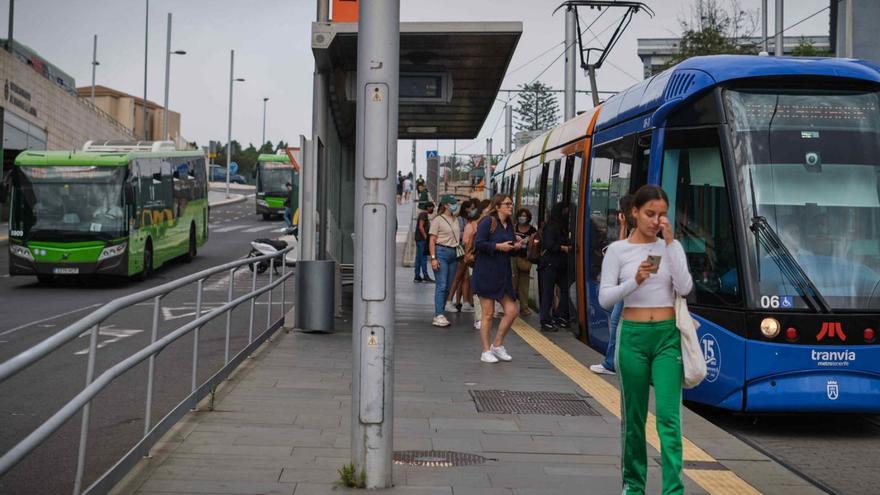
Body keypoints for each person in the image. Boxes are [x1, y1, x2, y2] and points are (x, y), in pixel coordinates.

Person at [598, 184, 693, 495]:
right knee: (634, 418)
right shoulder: (617, 251)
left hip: (667, 336)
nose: (656, 220)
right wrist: (633, 281)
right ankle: (633, 486)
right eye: (650, 214)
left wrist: (671, 242)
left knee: (669, 418)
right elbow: (605, 299)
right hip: (633, 337)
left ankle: (673, 490)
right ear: (634, 213)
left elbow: (685, 286)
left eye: (663, 215)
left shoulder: (670, 248)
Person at [472, 194, 521, 363]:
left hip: (503, 274)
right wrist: (498, 246)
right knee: (488, 314)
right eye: (507, 203)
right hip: (486, 273)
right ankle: (485, 351)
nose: (510, 206)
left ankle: (497, 345)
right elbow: (478, 243)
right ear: (498, 206)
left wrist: (517, 247)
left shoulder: (509, 225)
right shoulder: (488, 222)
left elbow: (510, 247)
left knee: (512, 311)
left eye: (511, 203)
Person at [591, 194, 635, 376]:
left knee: (617, 325)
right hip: (628, 287)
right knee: (617, 324)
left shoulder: (643, 233)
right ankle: (613, 362)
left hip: (630, 289)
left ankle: (612, 363)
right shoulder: (636, 230)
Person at [538, 202, 572, 332]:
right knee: (548, 292)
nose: (567, 215)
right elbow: (549, 244)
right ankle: (545, 320)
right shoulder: (551, 226)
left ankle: (559, 315)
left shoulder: (562, 226)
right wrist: (564, 248)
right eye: (565, 212)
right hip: (549, 264)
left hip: (560, 265)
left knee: (566, 289)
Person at [429, 195, 461, 327]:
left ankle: (440, 312)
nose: (455, 205)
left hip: (453, 254)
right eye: (453, 203)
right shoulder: (438, 220)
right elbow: (432, 240)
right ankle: (438, 314)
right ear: (446, 205)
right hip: (441, 252)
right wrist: (433, 258)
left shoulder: (455, 219)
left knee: (448, 286)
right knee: (441, 285)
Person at [446, 199, 476, 313]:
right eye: (471, 208)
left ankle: (465, 303)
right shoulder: (460, 219)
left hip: (464, 251)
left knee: (465, 277)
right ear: (465, 208)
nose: (472, 210)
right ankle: (449, 301)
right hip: (461, 250)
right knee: (458, 277)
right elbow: (459, 234)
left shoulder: (468, 220)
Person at [512, 208, 536, 316]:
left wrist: (530, 241)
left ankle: (524, 308)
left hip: (525, 259)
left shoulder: (532, 230)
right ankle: (510, 307)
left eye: (525, 215)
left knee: (524, 284)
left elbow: (536, 244)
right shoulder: (514, 228)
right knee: (513, 282)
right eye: (521, 215)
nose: (522, 217)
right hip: (513, 257)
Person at [414, 201, 435, 283]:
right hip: (422, 240)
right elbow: (421, 227)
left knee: (418, 258)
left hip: (419, 239)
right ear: (428, 207)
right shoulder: (424, 215)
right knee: (423, 258)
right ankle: (425, 276)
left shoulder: (422, 214)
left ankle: (417, 276)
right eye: (432, 207)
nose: (432, 209)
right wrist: (426, 237)